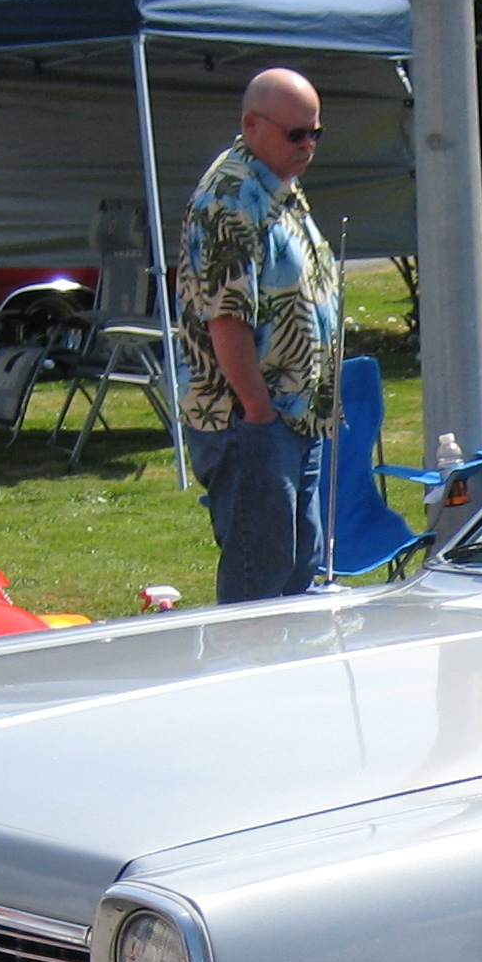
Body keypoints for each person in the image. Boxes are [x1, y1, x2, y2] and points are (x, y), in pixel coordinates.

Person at [176, 67, 342, 603]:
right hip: (252, 421)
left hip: (295, 415)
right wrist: (257, 411)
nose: (309, 145)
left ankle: (288, 677)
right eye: (297, 134)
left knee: (298, 564)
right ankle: (244, 676)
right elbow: (227, 319)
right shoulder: (229, 200)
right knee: (260, 579)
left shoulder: (278, 188)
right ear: (252, 125)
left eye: (316, 132)